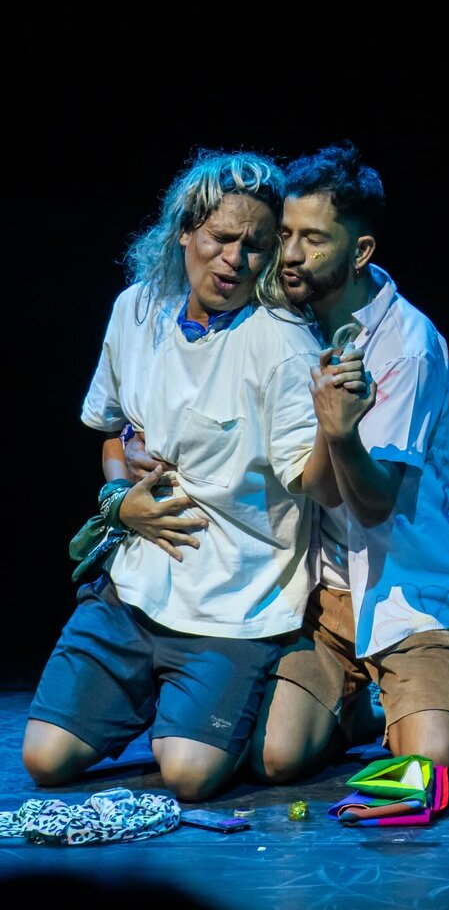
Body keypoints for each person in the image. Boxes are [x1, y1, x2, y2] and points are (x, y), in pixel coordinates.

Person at [22, 148, 364, 802]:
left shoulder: (280, 343)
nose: (235, 259)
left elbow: (319, 488)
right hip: (135, 589)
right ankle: (156, 699)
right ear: (184, 230)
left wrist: (337, 431)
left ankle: (302, 707)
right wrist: (119, 497)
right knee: (44, 758)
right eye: (221, 238)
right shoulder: (136, 310)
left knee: (187, 775)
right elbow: (114, 431)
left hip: (233, 605)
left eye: (255, 246)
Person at [252, 141, 449, 779]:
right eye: (286, 234)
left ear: (360, 252)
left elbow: (375, 503)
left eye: (313, 239)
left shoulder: (409, 346)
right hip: (328, 600)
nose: (290, 254)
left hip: (409, 594)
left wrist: (341, 434)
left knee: (428, 767)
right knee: (275, 758)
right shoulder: (289, 320)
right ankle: (364, 706)